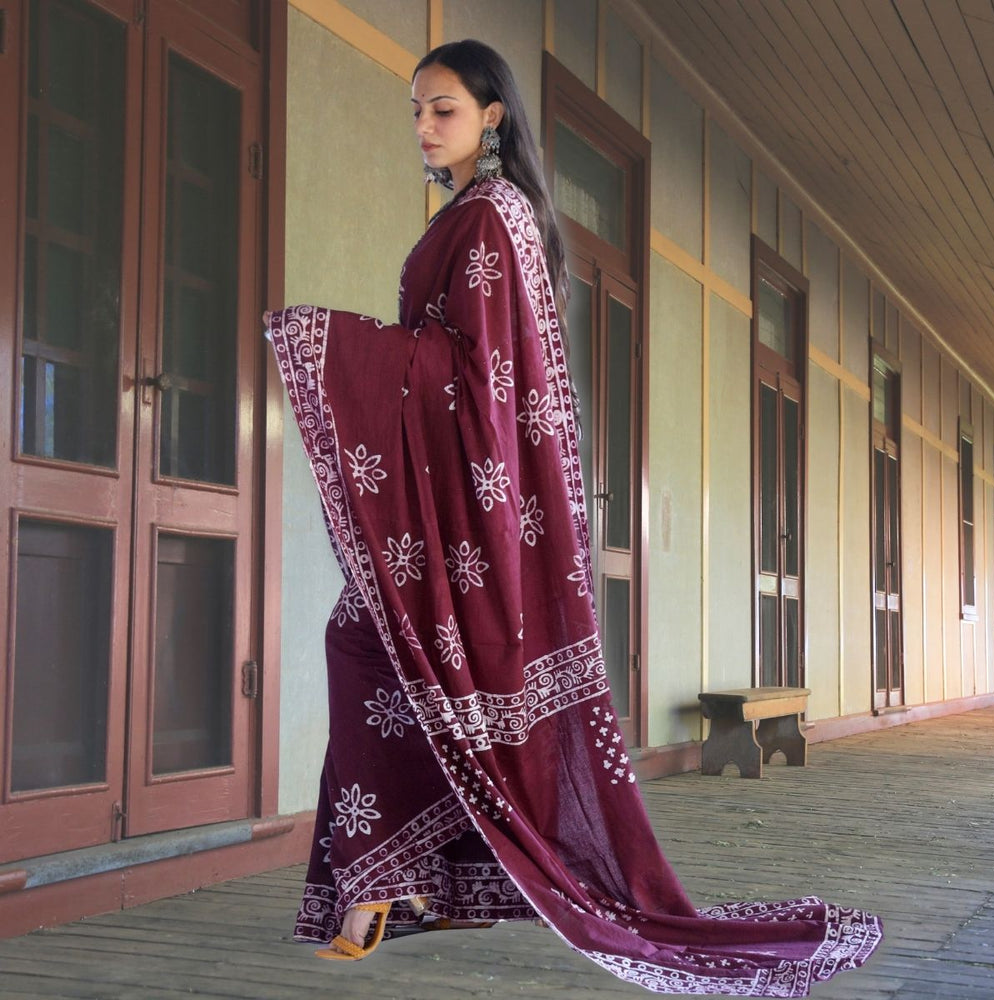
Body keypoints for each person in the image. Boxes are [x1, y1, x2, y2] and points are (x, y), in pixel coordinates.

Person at [265, 38, 882, 996]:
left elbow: (476, 381)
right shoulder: (484, 215)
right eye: (416, 113)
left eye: (444, 111)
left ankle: (386, 885)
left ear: (493, 116)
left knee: (370, 646)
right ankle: (393, 881)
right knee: (370, 646)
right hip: (454, 511)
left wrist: (335, 345)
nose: (424, 129)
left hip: (467, 516)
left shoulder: (486, 219)